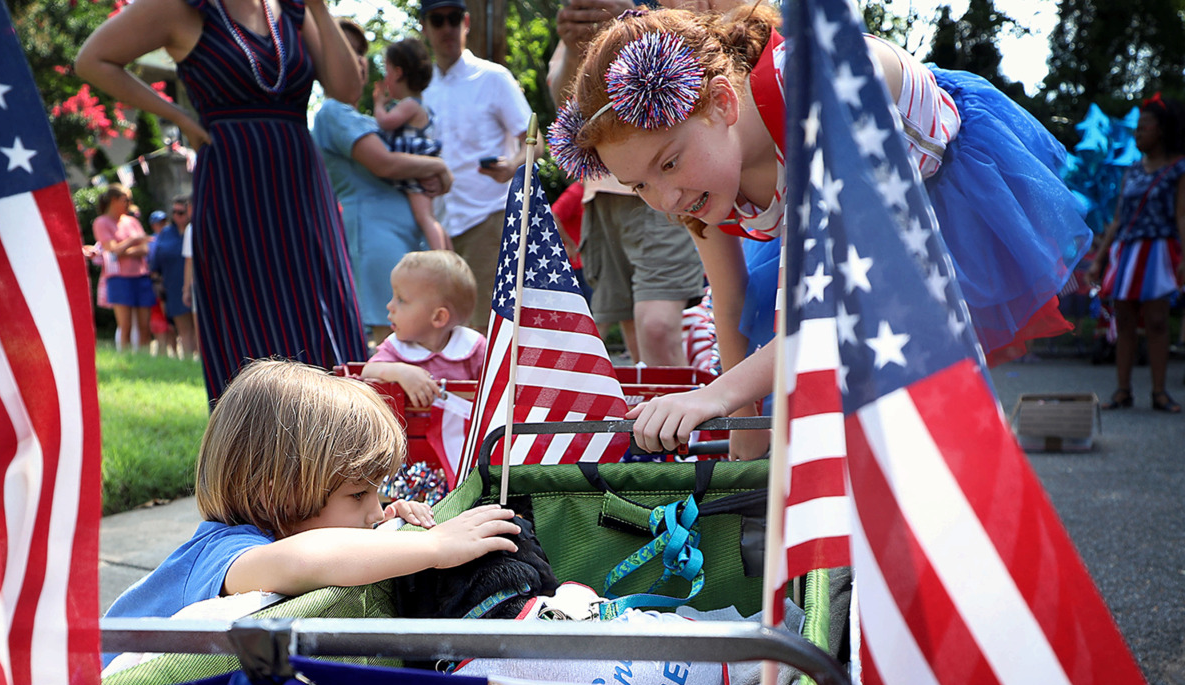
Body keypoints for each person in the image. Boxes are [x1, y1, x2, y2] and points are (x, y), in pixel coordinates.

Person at [550, 5, 1092, 454]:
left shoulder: (822, 93)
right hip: (814, 241)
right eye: (638, 185)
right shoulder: (699, 178)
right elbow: (730, 298)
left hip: (934, 199)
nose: (664, 200)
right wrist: (744, 446)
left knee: (903, 406)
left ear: (720, 102)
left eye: (668, 164)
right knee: (800, 410)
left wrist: (709, 396)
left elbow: (828, 312)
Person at [76, 0, 370, 402]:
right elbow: (93, 60)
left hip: (301, 184)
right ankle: (252, 457)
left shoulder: (295, 10)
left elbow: (348, 90)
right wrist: (178, 115)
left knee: (323, 306)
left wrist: (317, 6)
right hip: (234, 185)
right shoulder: (183, 8)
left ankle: (345, 445)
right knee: (248, 318)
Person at [103, 359, 520, 631]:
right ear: (275, 495)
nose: (375, 512)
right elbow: (304, 559)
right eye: (358, 495)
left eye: (378, 492)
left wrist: (391, 523)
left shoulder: (283, 529)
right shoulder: (223, 550)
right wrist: (433, 547)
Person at [547, 0, 706, 368]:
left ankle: (686, 424)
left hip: (669, 177)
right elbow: (567, 113)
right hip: (603, 189)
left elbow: (712, 57)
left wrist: (634, 21)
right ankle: (656, 423)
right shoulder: (585, 7)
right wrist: (574, 45)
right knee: (637, 341)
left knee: (656, 327)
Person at [313, 18, 453, 347]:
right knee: (391, 341)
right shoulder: (333, 112)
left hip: (398, 238)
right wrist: (439, 167)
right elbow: (385, 163)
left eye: (361, 52)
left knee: (412, 340)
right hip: (374, 238)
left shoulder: (361, 116)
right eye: (347, 50)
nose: (358, 59)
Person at [420, 0, 543, 331]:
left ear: (467, 22)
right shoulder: (420, 89)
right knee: (443, 329)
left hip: (489, 218)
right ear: (424, 27)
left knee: (488, 326)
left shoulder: (493, 77)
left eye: (454, 18)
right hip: (437, 225)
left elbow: (536, 142)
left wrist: (512, 165)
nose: (447, 27)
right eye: (437, 19)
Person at [1087, 95, 1185, 413]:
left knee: (1157, 321)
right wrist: (1099, 260)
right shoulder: (1131, 170)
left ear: (1162, 129)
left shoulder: (1177, 169)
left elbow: (1182, 215)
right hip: (1126, 251)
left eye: (1144, 127)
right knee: (1124, 320)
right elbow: (1117, 219)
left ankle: (1159, 392)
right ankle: (1122, 391)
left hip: (1158, 250)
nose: (1138, 133)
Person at [361, 251, 486, 407]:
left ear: (438, 317)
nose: (389, 306)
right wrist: (400, 372)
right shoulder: (396, 348)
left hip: (462, 430)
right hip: (407, 430)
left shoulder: (472, 348)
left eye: (401, 300)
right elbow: (367, 371)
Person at [373, 37, 452, 252]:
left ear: (398, 73)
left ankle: (442, 257)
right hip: (423, 167)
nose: (385, 79)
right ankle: (448, 253)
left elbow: (386, 122)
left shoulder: (409, 104)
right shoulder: (418, 104)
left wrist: (379, 105)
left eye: (387, 72)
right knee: (430, 216)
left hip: (418, 171)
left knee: (425, 217)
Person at [91, 184, 155, 351]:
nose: (129, 203)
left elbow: (145, 249)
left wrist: (124, 249)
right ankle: (126, 361)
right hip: (118, 278)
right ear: (114, 200)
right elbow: (112, 250)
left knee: (144, 327)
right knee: (125, 325)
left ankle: (145, 362)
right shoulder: (102, 222)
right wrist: (133, 240)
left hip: (141, 276)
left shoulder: (132, 221)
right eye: (125, 199)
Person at [148, 195, 198, 359]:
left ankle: (202, 363)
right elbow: (155, 261)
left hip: (198, 285)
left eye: (181, 212)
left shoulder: (195, 229)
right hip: (174, 286)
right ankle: (189, 362)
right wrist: (156, 282)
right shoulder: (166, 233)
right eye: (174, 212)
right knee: (183, 329)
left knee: (200, 329)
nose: (177, 216)